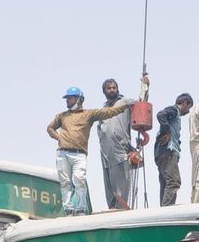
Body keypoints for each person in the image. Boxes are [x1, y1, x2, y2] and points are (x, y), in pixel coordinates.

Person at [47, 86, 134, 215]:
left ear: (78, 99)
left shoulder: (88, 114)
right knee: (65, 182)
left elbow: (108, 113)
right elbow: (50, 128)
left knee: (79, 180)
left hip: (79, 154)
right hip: (62, 153)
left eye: (70, 98)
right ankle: (69, 209)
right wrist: (59, 138)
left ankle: (80, 208)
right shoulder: (62, 116)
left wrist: (124, 106)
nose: (67, 101)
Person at [98, 78, 145, 210]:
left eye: (114, 87)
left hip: (120, 149)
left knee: (122, 182)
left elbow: (141, 103)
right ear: (104, 91)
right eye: (109, 88)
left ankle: (121, 207)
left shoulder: (125, 102)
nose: (112, 90)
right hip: (106, 152)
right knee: (109, 183)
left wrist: (145, 85)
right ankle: (112, 207)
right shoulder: (103, 109)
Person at [155, 93, 194, 206]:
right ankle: (166, 210)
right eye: (189, 107)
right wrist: (167, 132)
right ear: (184, 103)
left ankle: (163, 208)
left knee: (166, 182)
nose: (188, 111)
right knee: (174, 181)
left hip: (162, 152)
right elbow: (160, 115)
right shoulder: (174, 110)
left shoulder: (175, 116)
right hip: (168, 150)